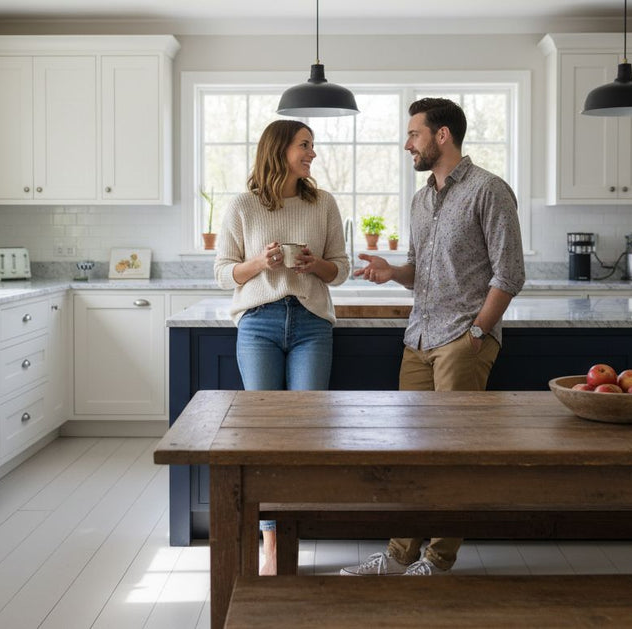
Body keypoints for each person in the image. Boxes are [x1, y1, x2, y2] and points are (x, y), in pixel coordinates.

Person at [341, 97, 526, 577]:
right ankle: (400, 554)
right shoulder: (422, 199)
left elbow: (510, 274)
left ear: (442, 135)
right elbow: (422, 271)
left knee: (454, 455)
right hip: (418, 340)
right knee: (409, 454)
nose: (407, 144)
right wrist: (393, 272)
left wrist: (478, 333)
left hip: (461, 342)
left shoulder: (490, 190)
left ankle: (437, 561)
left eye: (414, 134)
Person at [214, 119, 350, 575]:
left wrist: (316, 265)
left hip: (312, 323)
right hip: (259, 325)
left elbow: (342, 270)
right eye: (305, 145)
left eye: (312, 145)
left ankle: (292, 530)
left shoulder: (323, 203)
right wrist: (258, 263)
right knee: (265, 435)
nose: (313, 153)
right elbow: (222, 273)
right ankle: (270, 540)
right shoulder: (243, 206)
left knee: (306, 433)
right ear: (280, 150)